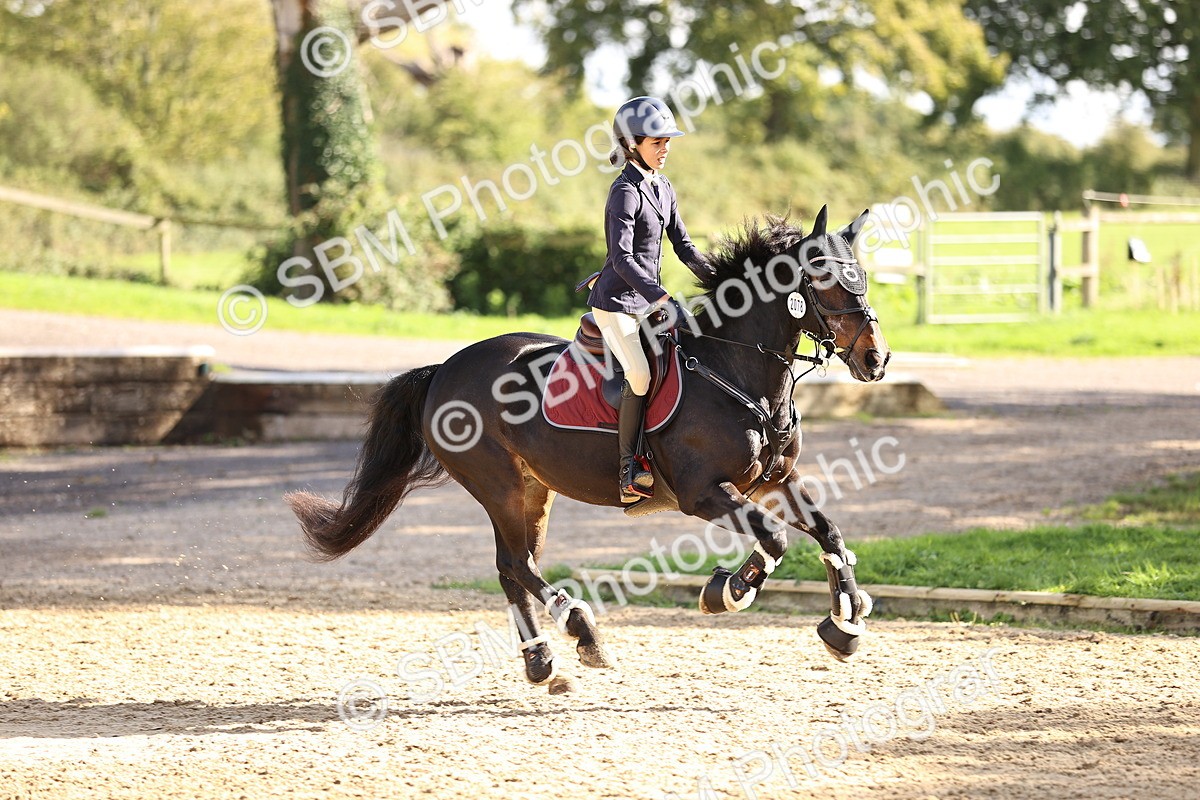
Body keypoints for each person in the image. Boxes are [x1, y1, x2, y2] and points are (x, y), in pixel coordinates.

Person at [586, 96, 712, 503]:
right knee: (639, 374)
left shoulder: (663, 187)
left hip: (646, 301)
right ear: (632, 144)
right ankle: (629, 467)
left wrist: (724, 278)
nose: (665, 148)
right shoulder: (623, 192)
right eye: (657, 142)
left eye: (667, 141)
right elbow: (621, 259)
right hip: (617, 303)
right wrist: (660, 297)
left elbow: (685, 246)